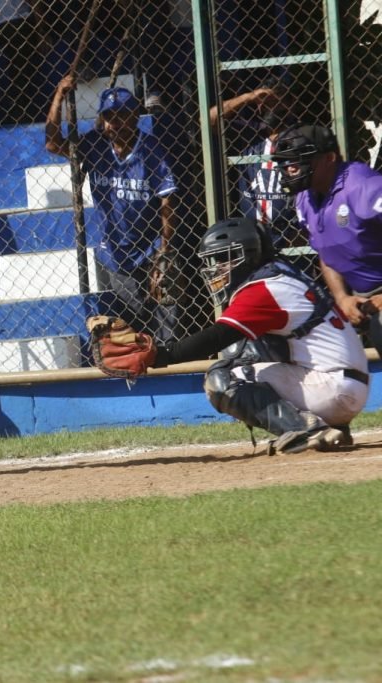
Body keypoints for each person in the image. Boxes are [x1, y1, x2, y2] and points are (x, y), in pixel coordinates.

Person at [152, 216, 367, 454]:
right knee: (253, 347)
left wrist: (161, 355)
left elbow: (218, 337)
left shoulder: (263, 288)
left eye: (225, 258)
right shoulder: (283, 272)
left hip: (331, 388)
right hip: (345, 384)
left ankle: (304, 429)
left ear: (249, 255)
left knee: (221, 378)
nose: (217, 267)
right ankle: (331, 427)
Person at [46, 78, 181, 344]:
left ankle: (170, 354)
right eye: (108, 117)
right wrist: (59, 95)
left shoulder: (150, 148)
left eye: (121, 115)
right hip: (116, 252)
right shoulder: (95, 145)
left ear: (134, 116)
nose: (114, 123)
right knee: (132, 323)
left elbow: (167, 200)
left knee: (166, 315)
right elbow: (52, 143)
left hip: (151, 248)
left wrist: (164, 251)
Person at [270, 123, 382, 359]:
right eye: (286, 163)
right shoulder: (305, 198)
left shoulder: (365, 187)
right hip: (362, 295)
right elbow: (326, 252)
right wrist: (342, 297)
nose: (290, 169)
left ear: (329, 158)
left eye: (298, 160)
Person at [209, 78, 303, 249]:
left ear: (290, 104)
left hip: (292, 235)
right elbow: (210, 119)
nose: (272, 107)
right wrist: (248, 97)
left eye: (278, 100)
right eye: (266, 101)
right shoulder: (249, 134)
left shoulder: (302, 137)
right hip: (253, 236)